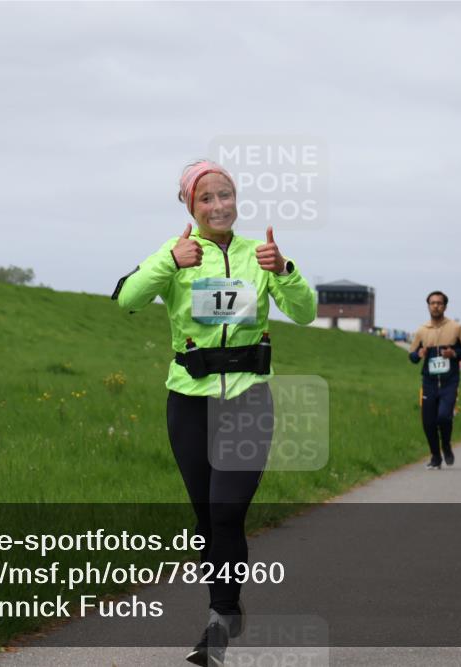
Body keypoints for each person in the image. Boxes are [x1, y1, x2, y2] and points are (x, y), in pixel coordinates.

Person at [113, 160, 316, 666]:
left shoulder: (259, 255)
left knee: (226, 509)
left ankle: (219, 618)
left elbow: (306, 311)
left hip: (248, 398)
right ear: (190, 206)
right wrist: (170, 261)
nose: (218, 205)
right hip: (189, 400)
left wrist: (284, 271)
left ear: (236, 199)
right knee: (206, 515)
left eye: (225, 195)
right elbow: (127, 299)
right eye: (205, 198)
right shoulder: (177, 253)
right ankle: (224, 607)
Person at [408, 291, 461, 469]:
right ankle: (436, 457)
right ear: (428, 306)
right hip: (429, 383)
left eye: (439, 303)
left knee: (443, 417)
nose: (436, 306)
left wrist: (454, 353)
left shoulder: (456, 328)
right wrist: (418, 354)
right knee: (428, 422)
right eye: (432, 303)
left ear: (445, 306)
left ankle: (446, 446)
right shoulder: (422, 330)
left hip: (449, 382)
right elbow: (412, 356)